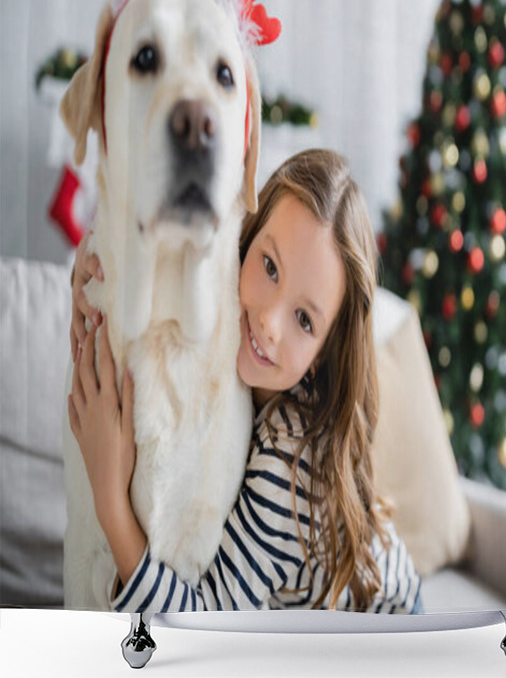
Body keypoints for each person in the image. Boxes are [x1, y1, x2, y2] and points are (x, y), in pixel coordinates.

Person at [68, 148, 422, 614]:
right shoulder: (223, 293)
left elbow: (210, 626)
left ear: (321, 357)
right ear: (245, 240)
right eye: (270, 267)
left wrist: (110, 501)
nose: (271, 322)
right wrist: (90, 269)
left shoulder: (290, 466)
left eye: (304, 320)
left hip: (388, 630)